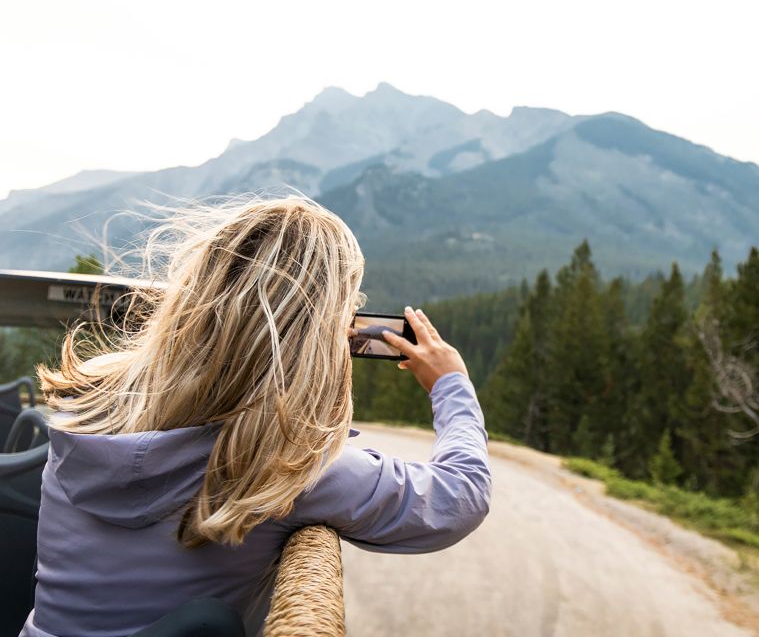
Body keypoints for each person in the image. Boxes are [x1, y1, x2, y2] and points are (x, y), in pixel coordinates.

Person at [20, 196, 491, 637]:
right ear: (319, 342)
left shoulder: (82, 408)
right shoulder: (289, 470)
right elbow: (460, 496)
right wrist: (450, 382)